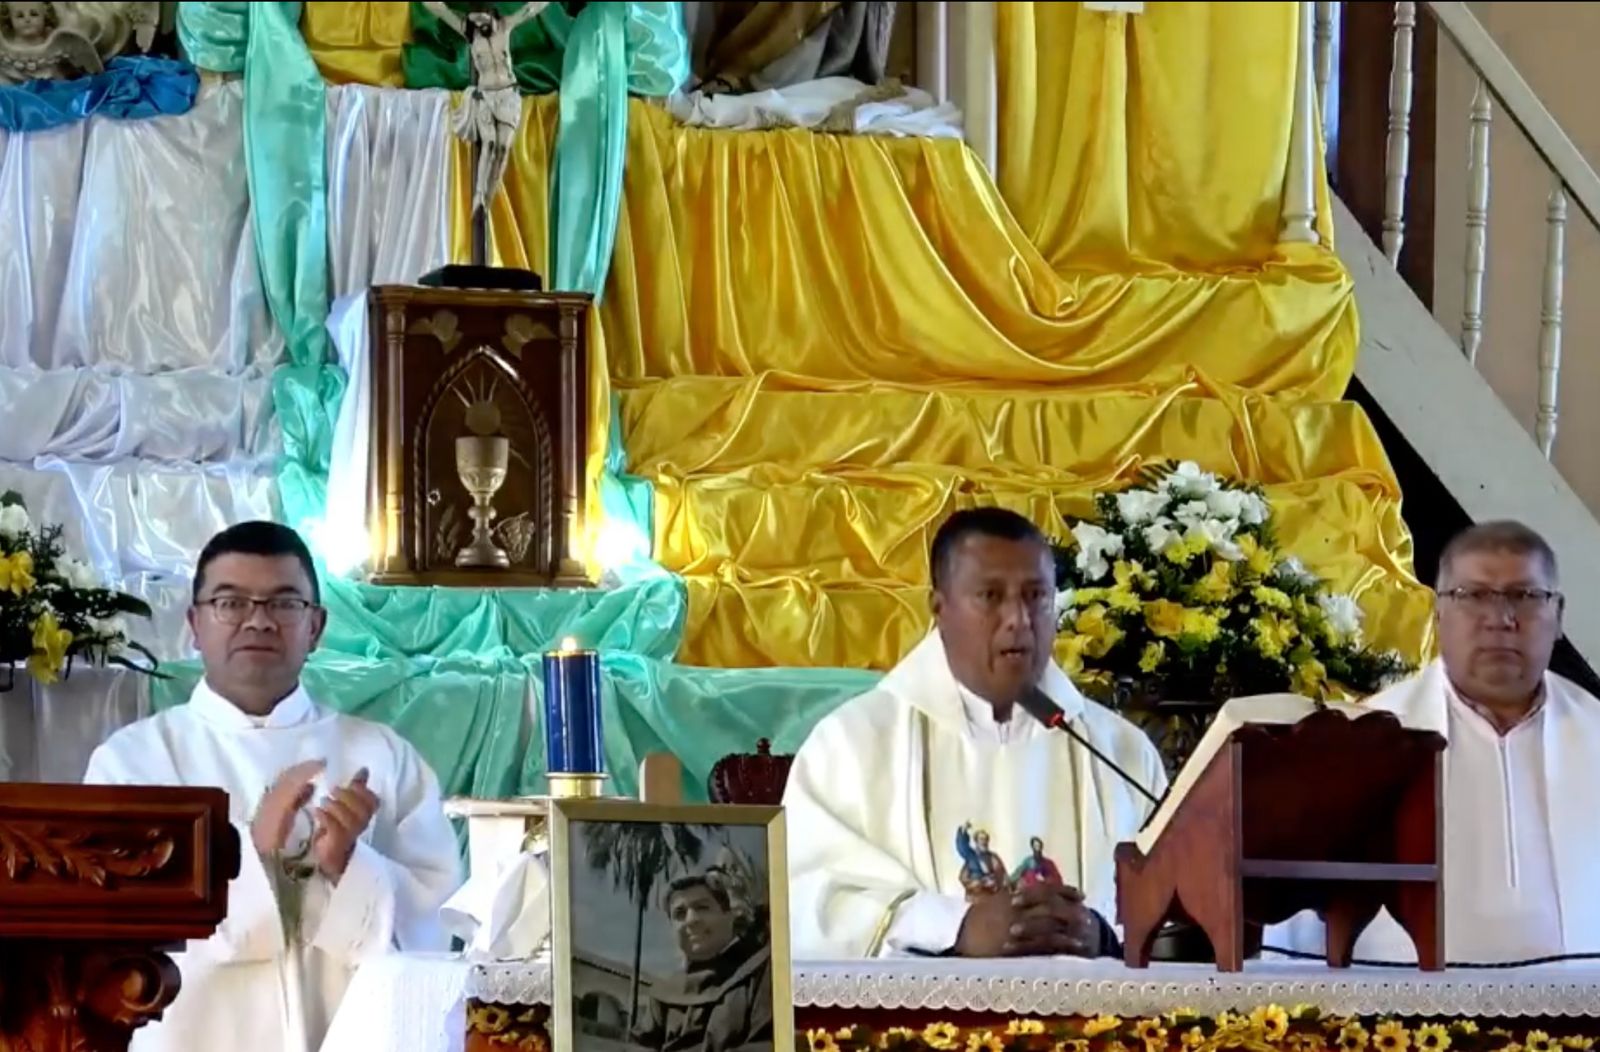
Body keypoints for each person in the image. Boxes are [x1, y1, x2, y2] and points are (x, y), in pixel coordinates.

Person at [84, 522, 462, 1052]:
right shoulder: (134, 763)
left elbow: (437, 937)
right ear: (194, 623)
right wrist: (250, 853)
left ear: (317, 626)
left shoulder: (383, 759)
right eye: (230, 602)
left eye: (284, 604)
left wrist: (350, 867)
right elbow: (115, 947)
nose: (258, 620)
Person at [784, 507, 1167, 959]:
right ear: (939, 609)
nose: (1018, 619)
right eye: (990, 596)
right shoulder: (851, 746)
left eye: (1036, 596)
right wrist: (957, 928)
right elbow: (806, 901)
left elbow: (1175, 915)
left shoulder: (1120, 751)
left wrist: (1102, 936)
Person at [1270, 520, 1600, 963]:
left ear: (1558, 615)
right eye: (1474, 595)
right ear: (1438, 612)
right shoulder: (1361, 740)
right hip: (1399, 1021)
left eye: (1525, 595)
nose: (1500, 619)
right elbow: (1296, 916)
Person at [631, 870, 774, 1052]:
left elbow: (770, 1043)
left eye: (702, 907)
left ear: (729, 916)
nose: (691, 920)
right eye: (680, 913)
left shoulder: (763, 969)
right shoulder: (663, 993)